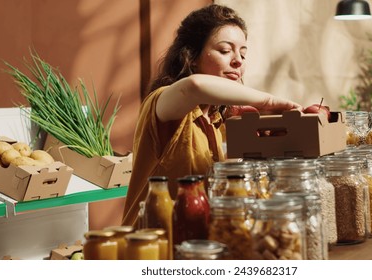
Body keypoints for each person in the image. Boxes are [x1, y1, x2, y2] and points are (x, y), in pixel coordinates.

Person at [122, 4, 302, 227]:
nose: (238, 61)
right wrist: (268, 101)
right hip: (149, 248)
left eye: (243, 54)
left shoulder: (219, 121)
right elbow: (194, 86)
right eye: (225, 51)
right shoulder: (163, 103)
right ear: (192, 56)